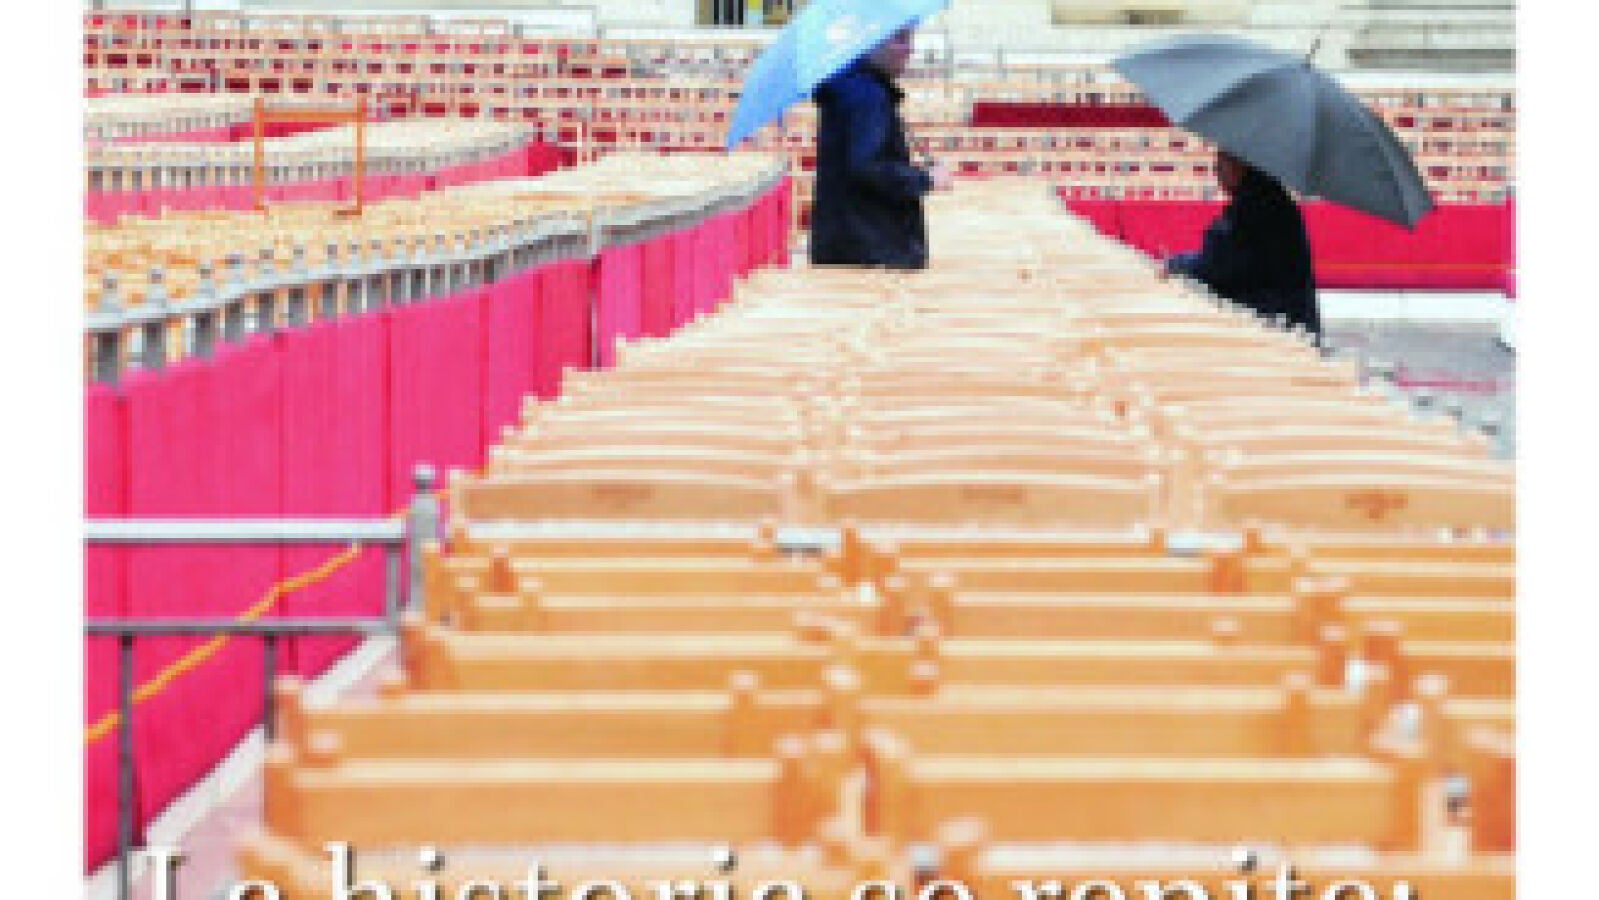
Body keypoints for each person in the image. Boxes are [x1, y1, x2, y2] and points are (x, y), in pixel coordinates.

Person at [809, 26, 952, 270]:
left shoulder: (854, 89)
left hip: (850, 244)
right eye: (900, 40)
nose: (909, 49)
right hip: (871, 248)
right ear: (872, 43)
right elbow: (868, 166)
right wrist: (926, 179)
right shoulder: (867, 96)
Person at [1165, 150, 1322, 337]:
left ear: (1239, 165)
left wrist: (1179, 264)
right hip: (1287, 317)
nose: (1216, 173)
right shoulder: (1265, 197)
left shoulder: (1254, 205)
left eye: (1220, 166)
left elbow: (1218, 265)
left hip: (1280, 325)